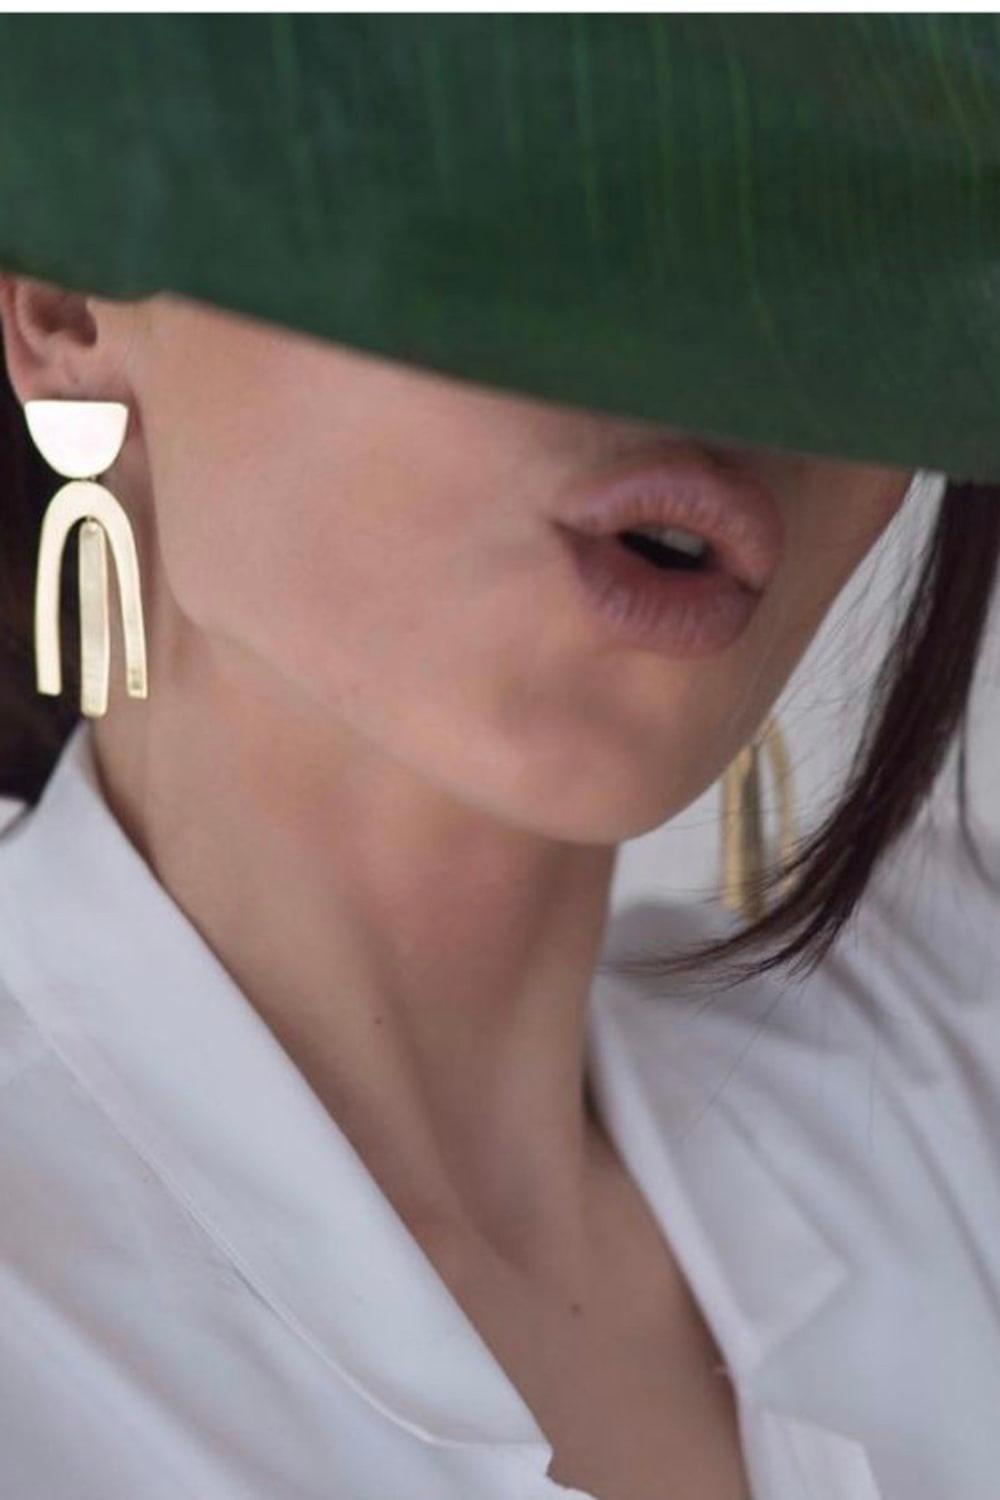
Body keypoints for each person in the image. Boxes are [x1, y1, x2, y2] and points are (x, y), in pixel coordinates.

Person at [1, 274, 999, 1500]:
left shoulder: (948, 1085)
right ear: (70, 305)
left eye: (837, 222)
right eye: (524, 193)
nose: (728, 343)